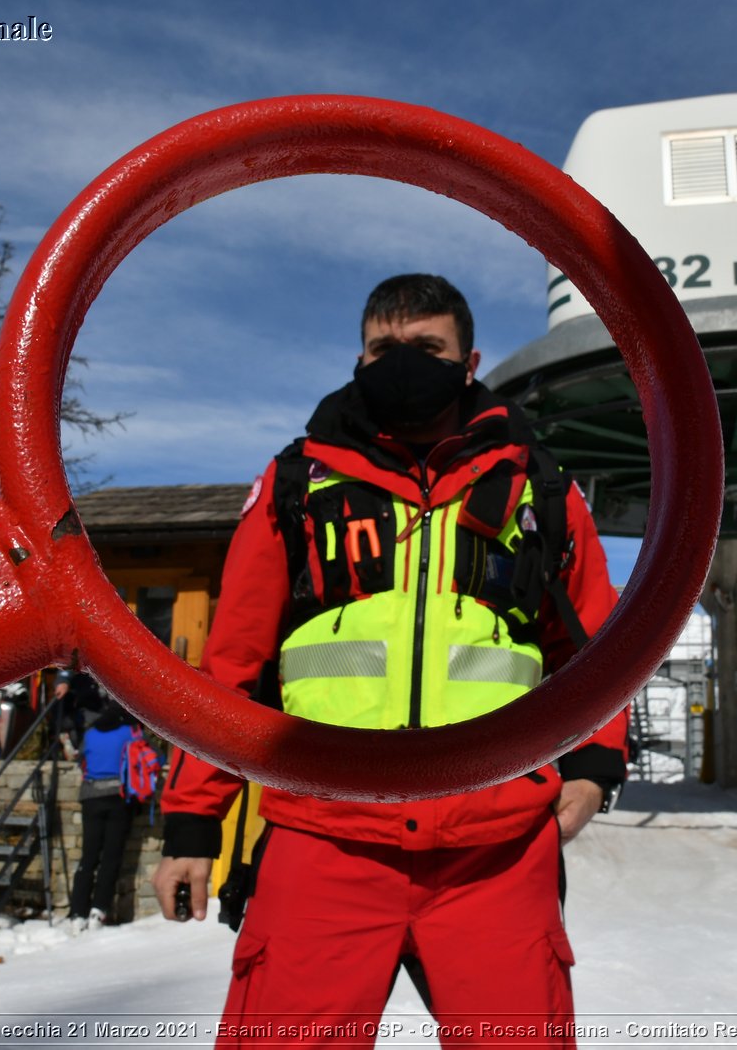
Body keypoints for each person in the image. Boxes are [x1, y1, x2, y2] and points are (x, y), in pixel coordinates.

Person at [151, 274, 627, 1047]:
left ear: (469, 361)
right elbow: (233, 660)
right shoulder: (297, 483)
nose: (404, 362)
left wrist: (597, 761)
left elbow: (598, 646)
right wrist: (191, 823)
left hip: (496, 847)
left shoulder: (541, 487)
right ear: (359, 356)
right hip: (324, 837)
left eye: (427, 348)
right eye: (385, 348)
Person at [68, 697, 139, 927]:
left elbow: (81, 759)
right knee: (111, 856)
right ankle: (99, 909)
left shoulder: (91, 733)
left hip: (91, 797)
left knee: (88, 856)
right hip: (118, 798)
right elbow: (150, 757)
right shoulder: (129, 732)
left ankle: (77, 911)